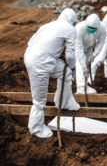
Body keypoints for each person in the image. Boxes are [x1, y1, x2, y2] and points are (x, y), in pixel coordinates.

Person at [24, 8, 80, 138]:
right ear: (72, 20)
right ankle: (36, 129)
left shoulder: (49, 25)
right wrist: (73, 68)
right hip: (40, 62)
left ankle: (65, 102)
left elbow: (31, 42)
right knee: (39, 100)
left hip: (35, 56)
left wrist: (68, 69)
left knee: (64, 72)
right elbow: (70, 56)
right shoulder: (71, 29)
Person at [75, 13, 106, 94]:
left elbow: (101, 42)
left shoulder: (102, 28)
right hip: (78, 47)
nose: (91, 29)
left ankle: (85, 85)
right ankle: (81, 87)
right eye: (89, 28)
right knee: (80, 64)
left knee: (88, 64)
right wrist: (83, 66)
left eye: (93, 28)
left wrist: (94, 54)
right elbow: (78, 48)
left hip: (89, 48)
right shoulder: (79, 28)